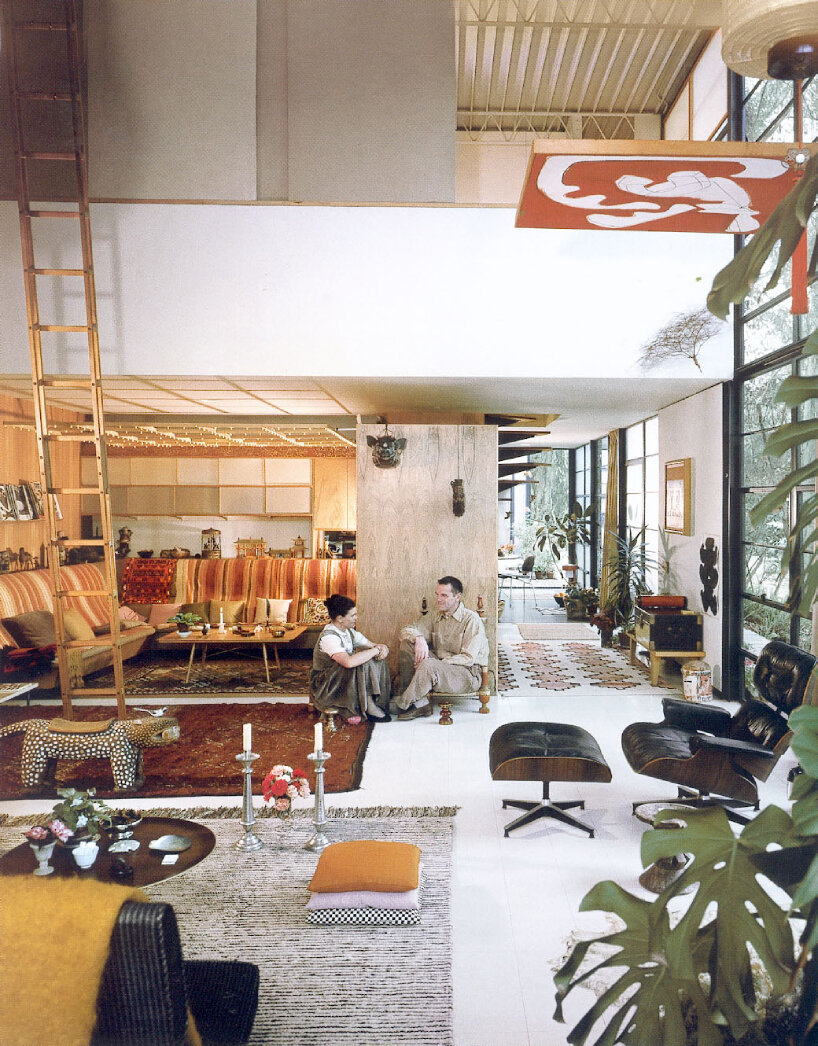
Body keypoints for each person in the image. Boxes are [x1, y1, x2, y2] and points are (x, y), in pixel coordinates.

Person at [395, 575, 489, 721]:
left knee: (429, 665)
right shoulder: (435, 616)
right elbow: (406, 630)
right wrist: (419, 638)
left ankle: (402, 704)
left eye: (444, 595)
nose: (438, 599)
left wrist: (437, 664)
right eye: (437, 595)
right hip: (440, 667)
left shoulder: (471, 620)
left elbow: (468, 658)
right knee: (407, 644)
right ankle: (421, 703)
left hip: (467, 674)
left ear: (457, 597)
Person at [310, 594, 391, 724]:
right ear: (340, 618)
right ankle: (365, 706)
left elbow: (373, 645)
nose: (356, 618)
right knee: (361, 662)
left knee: (374, 659)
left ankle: (374, 702)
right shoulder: (329, 637)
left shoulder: (349, 632)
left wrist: (382, 648)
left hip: (340, 678)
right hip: (325, 683)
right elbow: (348, 662)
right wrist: (375, 650)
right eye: (353, 615)